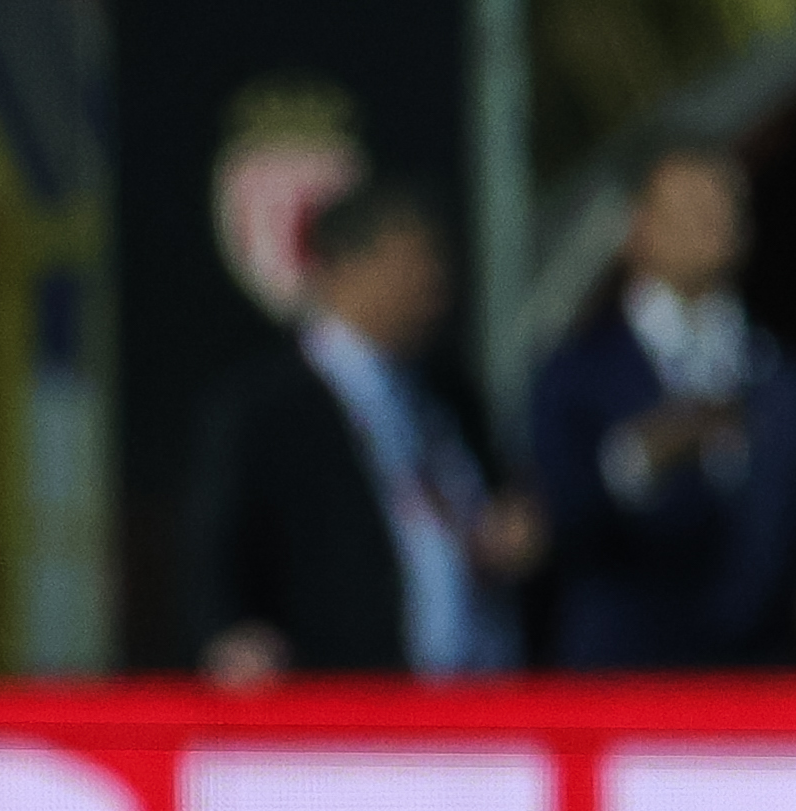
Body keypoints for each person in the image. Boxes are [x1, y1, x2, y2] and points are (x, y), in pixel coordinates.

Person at [188, 181, 540, 682]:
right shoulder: (269, 407)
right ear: (345, 269)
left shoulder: (448, 392)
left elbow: (501, 505)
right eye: (413, 261)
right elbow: (219, 545)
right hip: (347, 702)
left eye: (438, 261)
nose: (434, 281)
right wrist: (227, 635)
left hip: (480, 696)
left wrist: (511, 531)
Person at [527, 146, 796, 669]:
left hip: (759, 687)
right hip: (629, 684)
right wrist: (638, 458)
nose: (713, 222)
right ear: (639, 228)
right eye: (689, 208)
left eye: (726, 206)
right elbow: (553, 519)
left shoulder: (783, 379)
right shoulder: (576, 370)